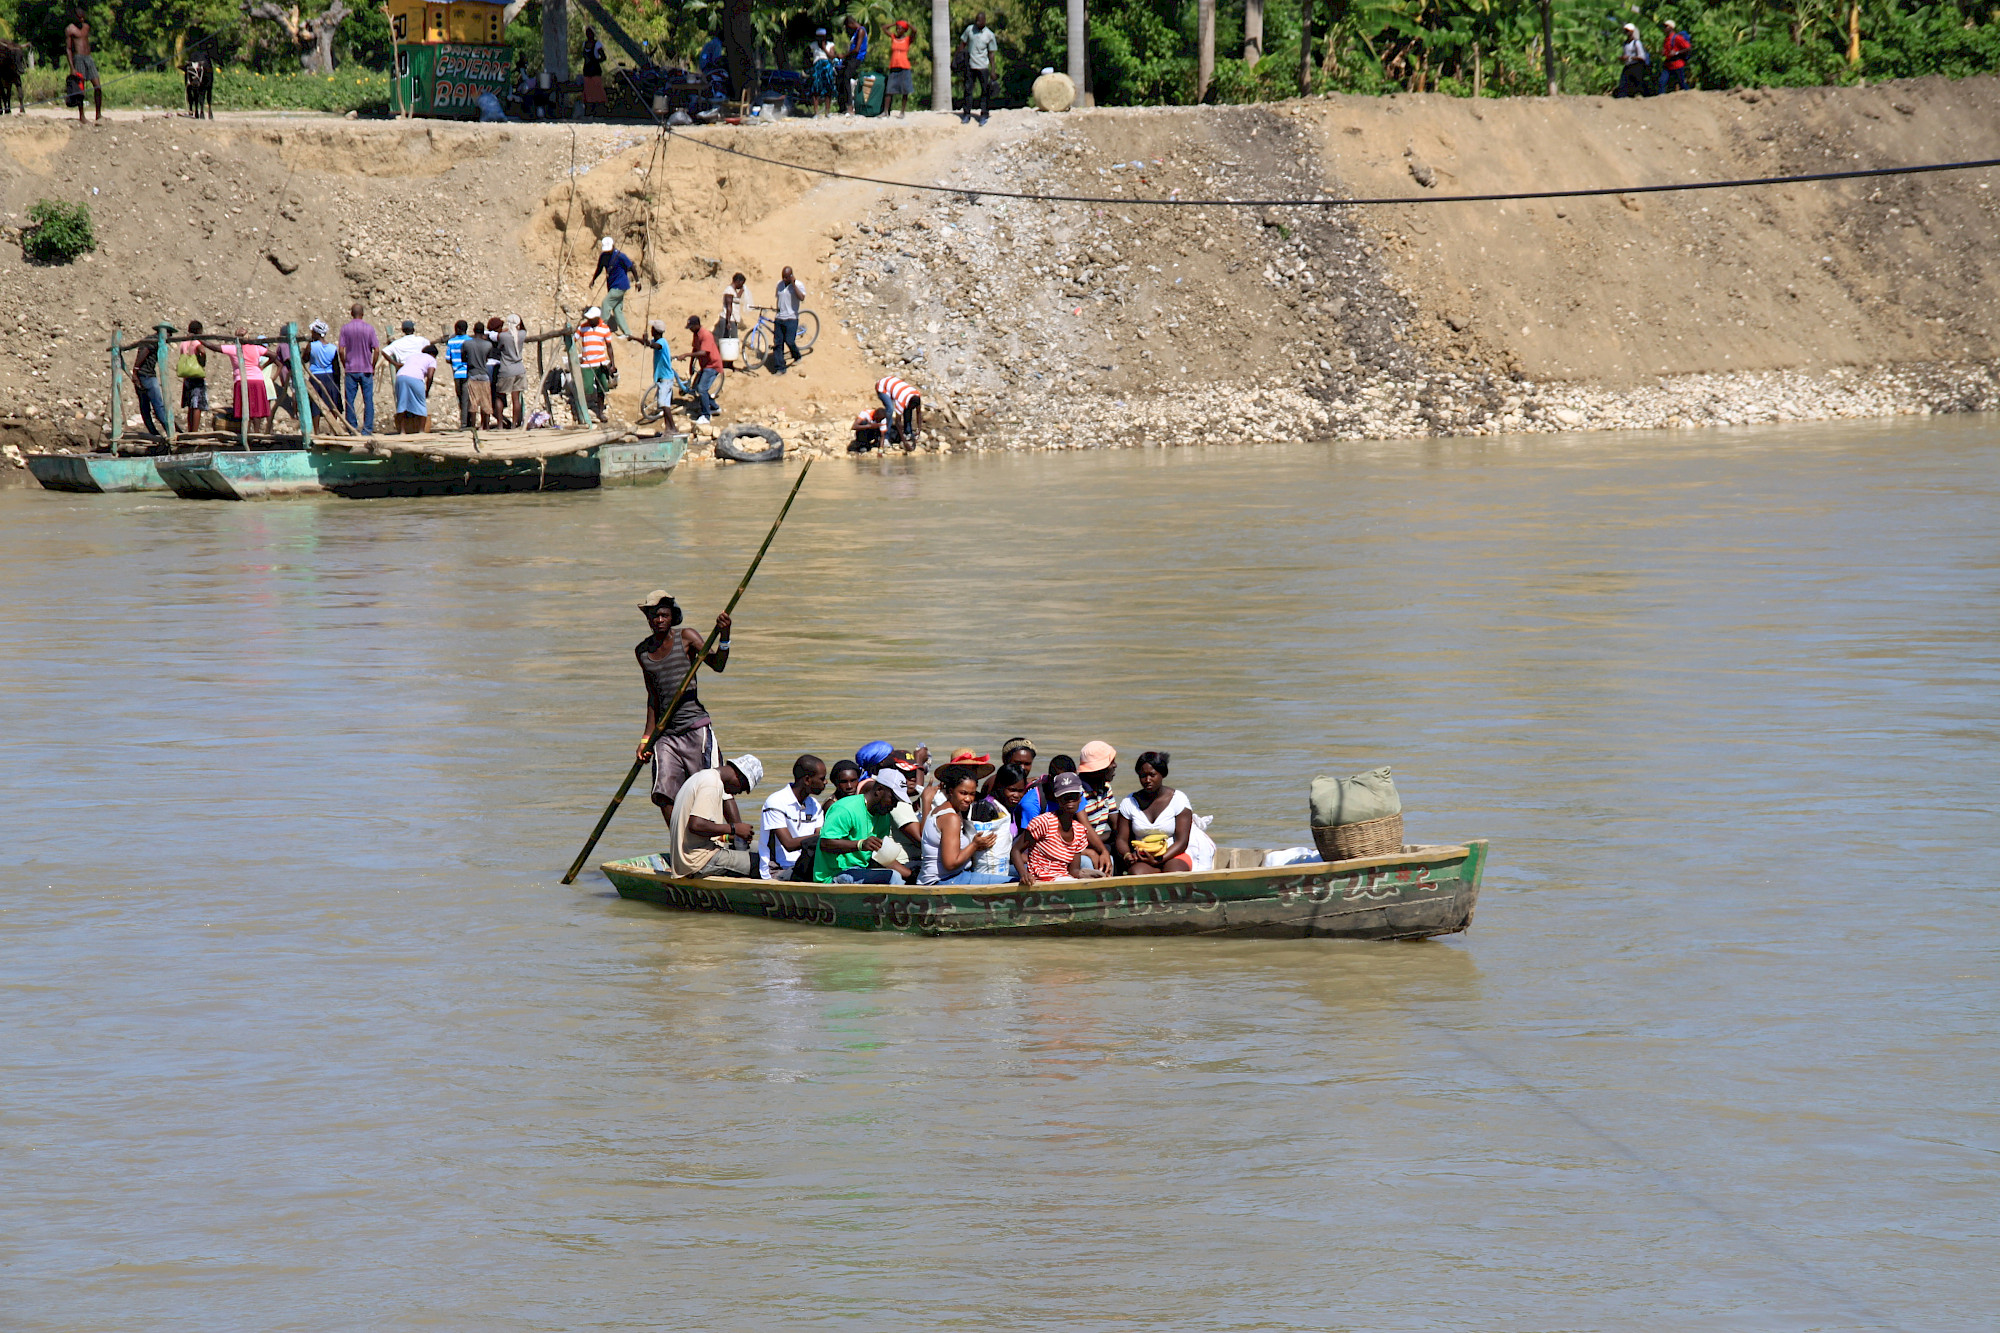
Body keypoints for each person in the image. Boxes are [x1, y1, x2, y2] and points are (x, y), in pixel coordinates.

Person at [633, 589, 733, 828]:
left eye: (663, 615)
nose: (658, 620)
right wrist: (647, 738)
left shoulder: (686, 638)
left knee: (713, 785)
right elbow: (653, 697)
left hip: (695, 728)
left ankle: (732, 836)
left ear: (672, 616)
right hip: (665, 734)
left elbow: (717, 665)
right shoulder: (643, 652)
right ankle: (680, 842)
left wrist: (725, 635)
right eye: (653, 616)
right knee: (663, 792)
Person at [1113, 751, 1216, 875]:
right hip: (1143, 857)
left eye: (1152, 775)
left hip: (1174, 854)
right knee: (1137, 873)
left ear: (1162, 774)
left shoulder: (1178, 800)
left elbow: (1182, 842)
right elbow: (1121, 839)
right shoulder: (1129, 803)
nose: (1147, 780)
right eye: (1143, 776)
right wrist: (1127, 855)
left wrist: (1158, 860)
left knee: (1174, 872)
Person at [921, 764, 1017, 886]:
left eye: (972, 794)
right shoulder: (951, 818)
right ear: (951, 791)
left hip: (945, 877)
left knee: (1017, 871)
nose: (968, 799)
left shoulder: (943, 810)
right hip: (943, 881)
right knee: (1012, 882)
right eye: (963, 793)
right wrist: (975, 845)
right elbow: (950, 863)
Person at [670, 754, 764, 879]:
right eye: (742, 788)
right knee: (764, 864)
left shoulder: (703, 776)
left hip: (690, 853)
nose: (738, 793)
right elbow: (696, 825)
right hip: (698, 861)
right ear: (739, 776)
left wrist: (729, 835)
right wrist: (734, 828)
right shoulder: (712, 784)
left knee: (764, 848)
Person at [1014, 772, 1112, 883]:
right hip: (1039, 881)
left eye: (1074, 796)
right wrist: (1024, 874)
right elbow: (1016, 850)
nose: (1070, 801)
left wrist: (1092, 876)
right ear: (1057, 799)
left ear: (1080, 799)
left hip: (1063, 880)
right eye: (1065, 797)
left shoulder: (1079, 831)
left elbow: (1074, 871)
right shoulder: (1043, 822)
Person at [813, 781, 915, 885]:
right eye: (893, 800)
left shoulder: (884, 816)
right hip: (834, 874)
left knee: (903, 877)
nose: (894, 806)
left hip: (861, 871)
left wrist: (912, 876)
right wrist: (860, 844)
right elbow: (825, 843)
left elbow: (880, 856)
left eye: (897, 802)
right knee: (894, 877)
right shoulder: (846, 809)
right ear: (879, 790)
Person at [761, 754, 827, 881]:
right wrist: (827, 837)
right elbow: (789, 844)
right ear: (807, 780)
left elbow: (818, 838)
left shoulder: (814, 805)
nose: (825, 782)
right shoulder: (775, 801)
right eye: (822, 778)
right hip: (778, 870)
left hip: (804, 865)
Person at [628, 319, 680, 431]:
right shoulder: (657, 340)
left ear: (655, 330)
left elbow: (654, 346)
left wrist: (647, 341)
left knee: (663, 404)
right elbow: (648, 343)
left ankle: (672, 428)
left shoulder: (662, 342)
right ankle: (669, 428)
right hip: (662, 378)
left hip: (665, 378)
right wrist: (635, 338)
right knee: (664, 404)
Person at [338, 303, 380, 435]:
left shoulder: (345, 329)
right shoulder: (369, 329)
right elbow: (377, 350)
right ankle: (367, 429)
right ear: (363, 314)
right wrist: (372, 365)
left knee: (349, 400)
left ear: (351, 313)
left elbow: (341, 350)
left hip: (351, 368)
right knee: (368, 400)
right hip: (366, 369)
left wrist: (345, 364)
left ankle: (352, 428)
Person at [1076, 739, 1119, 848]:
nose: (1115, 765)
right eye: (1111, 762)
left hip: (1099, 842)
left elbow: (1116, 825)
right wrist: (1112, 835)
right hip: (1081, 849)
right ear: (1098, 769)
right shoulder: (1077, 793)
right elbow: (1084, 839)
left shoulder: (1106, 788)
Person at [124, 330, 167, 439]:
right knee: (158, 406)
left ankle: (154, 433)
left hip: (142, 376)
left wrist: (136, 372)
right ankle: (169, 431)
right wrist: (136, 369)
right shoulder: (154, 340)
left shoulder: (149, 339)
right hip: (147, 376)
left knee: (145, 407)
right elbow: (145, 351)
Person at [594, 236, 640, 338]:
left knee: (605, 303)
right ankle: (627, 332)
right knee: (617, 309)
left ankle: (601, 327)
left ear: (613, 246)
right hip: (612, 285)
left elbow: (631, 267)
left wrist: (637, 281)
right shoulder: (603, 256)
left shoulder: (620, 256)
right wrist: (593, 280)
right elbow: (599, 269)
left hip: (620, 285)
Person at [960, 13, 999, 126]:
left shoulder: (989, 35)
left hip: (983, 66)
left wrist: (993, 70)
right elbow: (963, 43)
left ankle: (984, 114)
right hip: (970, 65)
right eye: (976, 21)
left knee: (984, 91)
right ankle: (966, 113)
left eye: (979, 21)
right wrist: (958, 57)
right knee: (968, 90)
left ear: (984, 21)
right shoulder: (969, 30)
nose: (977, 23)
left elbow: (991, 54)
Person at [576, 307, 615, 418]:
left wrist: (612, 363)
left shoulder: (605, 329)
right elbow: (574, 339)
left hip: (600, 362)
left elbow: (609, 346)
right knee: (587, 387)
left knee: (602, 387)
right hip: (587, 363)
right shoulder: (583, 328)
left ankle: (600, 411)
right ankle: (583, 410)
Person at [391, 341, 437, 433]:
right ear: (433, 354)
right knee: (421, 404)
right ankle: (421, 431)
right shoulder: (431, 359)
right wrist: (427, 390)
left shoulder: (413, 356)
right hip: (416, 378)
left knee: (402, 404)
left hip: (400, 377)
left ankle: (402, 431)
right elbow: (430, 376)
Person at [1018, 753, 1076, 825]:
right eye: (1062, 783)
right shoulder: (1031, 803)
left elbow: (1085, 823)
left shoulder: (1075, 792)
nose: (1066, 789)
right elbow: (1029, 834)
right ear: (1050, 779)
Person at [684, 314, 722, 424]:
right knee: (696, 387)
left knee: (702, 389)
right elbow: (695, 349)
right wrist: (691, 365)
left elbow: (703, 352)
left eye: (691, 327)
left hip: (712, 365)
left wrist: (686, 355)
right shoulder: (696, 334)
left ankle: (706, 416)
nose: (690, 329)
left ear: (697, 325)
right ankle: (714, 407)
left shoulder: (706, 335)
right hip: (705, 366)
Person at [65, 9, 101, 125]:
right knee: (81, 89)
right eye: (79, 18)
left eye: (82, 18)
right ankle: (82, 116)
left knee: (98, 86)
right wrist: (72, 67)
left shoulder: (86, 27)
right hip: (78, 58)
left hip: (88, 58)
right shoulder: (70, 29)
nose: (81, 20)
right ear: (75, 17)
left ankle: (98, 114)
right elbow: (69, 49)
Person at [461, 320, 497, 429]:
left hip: (472, 374)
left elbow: (463, 358)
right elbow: (487, 358)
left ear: (474, 330)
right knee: (486, 401)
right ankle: (485, 425)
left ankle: (472, 425)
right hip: (484, 374)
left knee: (473, 402)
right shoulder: (488, 345)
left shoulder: (467, 343)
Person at [492, 316, 527, 427]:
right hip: (519, 369)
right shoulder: (521, 334)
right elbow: (523, 328)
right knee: (516, 399)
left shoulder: (503, 336)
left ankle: (500, 424)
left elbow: (493, 336)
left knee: (500, 396)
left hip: (506, 369)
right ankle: (514, 424)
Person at [305, 320, 341, 424]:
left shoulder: (311, 346)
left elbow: (305, 359)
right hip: (329, 377)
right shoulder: (333, 348)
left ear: (316, 333)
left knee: (316, 404)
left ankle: (316, 430)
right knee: (331, 403)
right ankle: (333, 427)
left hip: (315, 376)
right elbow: (336, 367)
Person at [175, 319, 208, 433]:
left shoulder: (184, 342)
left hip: (187, 376)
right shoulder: (196, 341)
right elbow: (202, 351)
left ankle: (190, 430)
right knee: (197, 405)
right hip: (196, 376)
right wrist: (202, 361)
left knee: (190, 404)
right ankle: (194, 432)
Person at [772, 267, 806, 374]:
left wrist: (793, 284)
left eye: (787, 277)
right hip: (780, 317)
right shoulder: (779, 284)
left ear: (791, 275)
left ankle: (797, 356)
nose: (784, 279)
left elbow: (801, 297)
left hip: (791, 318)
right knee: (778, 343)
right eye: (783, 277)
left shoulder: (798, 285)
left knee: (789, 340)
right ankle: (780, 367)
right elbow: (778, 297)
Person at [876, 373, 922, 448]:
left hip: (893, 384)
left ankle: (908, 433)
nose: (913, 408)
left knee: (908, 410)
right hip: (882, 387)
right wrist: (904, 442)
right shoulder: (901, 401)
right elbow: (898, 422)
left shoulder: (917, 395)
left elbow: (919, 413)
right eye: (912, 406)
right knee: (890, 409)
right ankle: (886, 437)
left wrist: (919, 430)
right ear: (908, 402)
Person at [885, 18, 915, 117]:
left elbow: (914, 31)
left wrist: (907, 24)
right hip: (894, 66)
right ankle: (885, 112)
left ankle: (902, 112)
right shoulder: (893, 37)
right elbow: (884, 28)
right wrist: (895, 23)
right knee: (889, 90)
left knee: (904, 90)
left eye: (900, 28)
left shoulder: (907, 40)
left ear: (904, 30)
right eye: (897, 28)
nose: (897, 30)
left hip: (904, 67)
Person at [444, 320, 471, 427]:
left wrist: (455, 362)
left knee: (460, 398)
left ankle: (464, 422)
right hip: (467, 372)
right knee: (467, 399)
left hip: (457, 373)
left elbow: (447, 359)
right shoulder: (470, 341)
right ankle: (467, 422)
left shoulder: (451, 342)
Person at [839, 17, 868, 114]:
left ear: (851, 24)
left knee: (847, 78)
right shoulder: (856, 32)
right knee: (841, 77)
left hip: (857, 58)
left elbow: (857, 49)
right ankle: (842, 105)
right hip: (851, 58)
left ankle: (850, 106)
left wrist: (844, 55)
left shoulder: (861, 31)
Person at [1615, 24, 1650, 99]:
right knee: (1623, 84)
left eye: (1628, 31)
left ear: (1632, 32)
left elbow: (1642, 57)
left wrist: (1630, 57)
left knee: (1639, 84)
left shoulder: (1636, 43)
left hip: (1636, 66)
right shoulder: (1625, 43)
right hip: (1628, 65)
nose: (1626, 32)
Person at [808, 30, 838, 115]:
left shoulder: (830, 45)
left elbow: (832, 56)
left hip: (827, 66)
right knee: (816, 89)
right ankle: (816, 112)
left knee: (828, 88)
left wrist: (824, 48)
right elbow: (807, 55)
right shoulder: (813, 45)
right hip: (817, 67)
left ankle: (827, 112)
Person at [1659, 19, 1692, 94]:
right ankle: (1661, 100)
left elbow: (1688, 48)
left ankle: (1690, 95)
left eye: (1666, 26)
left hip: (1677, 64)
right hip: (1668, 65)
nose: (1664, 28)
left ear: (1671, 27)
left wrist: (1677, 53)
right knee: (1661, 82)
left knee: (1682, 83)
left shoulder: (1677, 38)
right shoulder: (1666, 39)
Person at [719, 272, 750, 351]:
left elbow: (735, 299)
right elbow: (729, 307)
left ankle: (729, 362)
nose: (742, 286)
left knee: (732, 342)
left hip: (733, 320)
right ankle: (726, 362)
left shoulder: (733, 291)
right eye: (742, 283)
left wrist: (741, 292)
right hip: (729, 319)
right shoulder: (729, 291)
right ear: (738, 281)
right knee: (731, 342)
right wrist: (728, 322)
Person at [580, 27, 608, 116]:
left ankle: (599, 111)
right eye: (587, 33)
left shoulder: (597, 44)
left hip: (595, 71)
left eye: (590, 33)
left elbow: (604, 57)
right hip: (587, 71)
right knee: (588, 91)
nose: (589, 35)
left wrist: (595, 62)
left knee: (597, 91)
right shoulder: (584, 44)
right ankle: (589, 111)